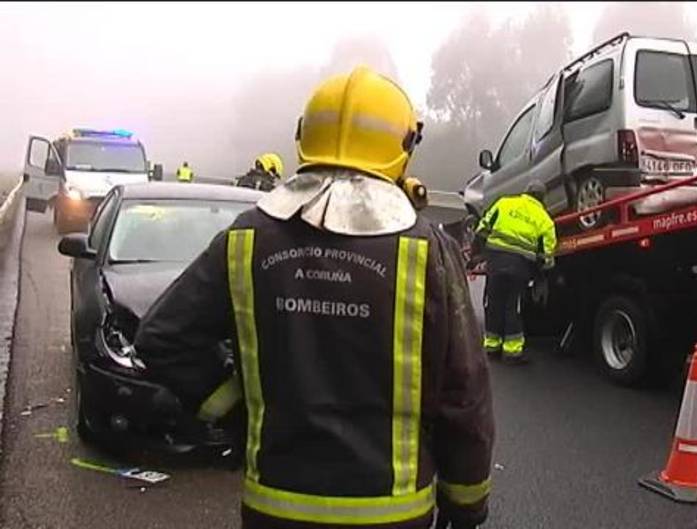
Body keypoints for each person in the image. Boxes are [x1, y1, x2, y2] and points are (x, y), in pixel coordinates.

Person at [134, 66, 495, 529]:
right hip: (394, 514)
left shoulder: (245, 238)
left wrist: (239, 410)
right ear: (404, 147)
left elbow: (162, 338)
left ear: (303, 136)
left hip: (274, 509)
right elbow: (463, 393)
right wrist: (466, 505)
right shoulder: (428, 251)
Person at [474, 180, 556, 365]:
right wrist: (541, 275)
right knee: (513, 306)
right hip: (520, 268)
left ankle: (491, 346)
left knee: (493, 302)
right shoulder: (545, 220)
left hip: (496, 262)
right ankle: (512, 352)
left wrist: (480, 253)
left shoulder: (504, 203)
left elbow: (482, 229)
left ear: (525, 191)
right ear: (543, 198)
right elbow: (546, 256)